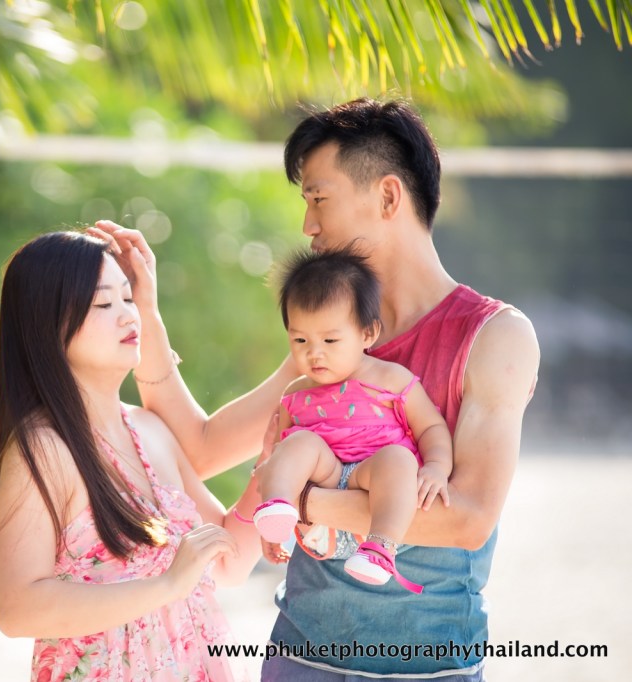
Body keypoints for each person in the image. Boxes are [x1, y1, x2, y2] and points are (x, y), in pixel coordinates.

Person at [94, 96, 539, 680]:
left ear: (387, 197)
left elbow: (468, 518)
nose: (308, 226)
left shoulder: (493, 336)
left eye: (318, 199)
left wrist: (295, 502)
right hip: (298, 658)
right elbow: (201, 447)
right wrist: (147, 316)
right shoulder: (328, 344)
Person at [0, 230, 262, 682]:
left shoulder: (151, 429)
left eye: (129, 298)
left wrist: (277, 460)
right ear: (49, 324)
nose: (128, 315)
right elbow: (15, 608)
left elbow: (228, 561)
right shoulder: (44, 448)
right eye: (104, 303)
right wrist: (165, 585)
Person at [251, 248, 453, 595]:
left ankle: (380, 550)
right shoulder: (295, 394)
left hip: (377, 504)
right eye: (300, 340)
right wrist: (271, 521)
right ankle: (276, 510)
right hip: (320, 517)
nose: (314, 352)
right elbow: (279, 458)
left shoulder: (391, 379)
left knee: (399, 459)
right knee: (297, 444)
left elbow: (432, 427)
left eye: (330, 340)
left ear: (367, 333)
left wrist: (436, 466)